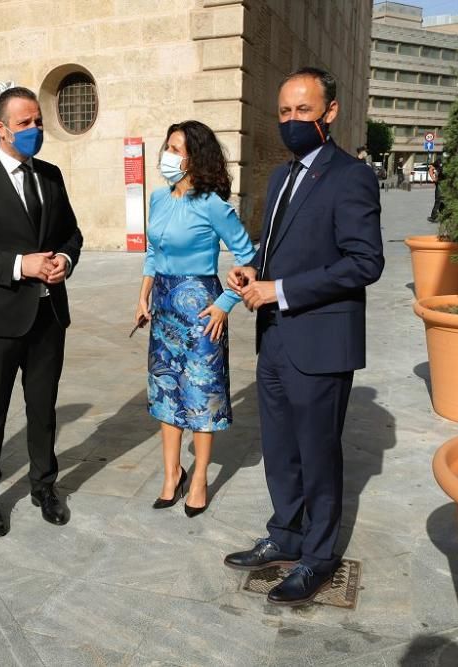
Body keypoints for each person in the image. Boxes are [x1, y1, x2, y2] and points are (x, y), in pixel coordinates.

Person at [224, 67, 384, 605]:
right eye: (285, 112)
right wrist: (252, 274)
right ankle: (285, 535)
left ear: (330, 113)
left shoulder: (351, 176)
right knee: (279, 449)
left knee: (317, 454)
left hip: (320, 343)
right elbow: (274, 251)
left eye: (304, 111)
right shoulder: (279, 176)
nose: (292, 121)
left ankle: (317, 557)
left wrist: (280, 290)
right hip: (275, 340)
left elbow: (365, 262)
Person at [0, 86, 83, 538]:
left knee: (42, 407)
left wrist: (63, 260)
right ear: (0, 129)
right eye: (24, 123)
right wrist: (21, 265)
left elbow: (71, 236)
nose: (35, 130)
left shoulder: (51, 175)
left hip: (48, 316)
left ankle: (44, 486)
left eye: (38, 121)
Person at [134, 121, 255, 516]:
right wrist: (143, 295)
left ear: (195, 157)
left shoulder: (212, 204)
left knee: (201, 394)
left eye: (177, 148)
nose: (168, 155)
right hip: (165, 307)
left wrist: (225, 302)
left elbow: (247, 255)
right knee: (166, 393)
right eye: (167, 146)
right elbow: (153, 252)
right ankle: (172, 474)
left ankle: (199, 477)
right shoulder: (158, 197)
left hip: (202, 307)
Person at [428, 157, 444, 222]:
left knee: (442, 201)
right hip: (440, 184)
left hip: (446, 184)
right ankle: (433, 217)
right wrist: (433, 178)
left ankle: (442, 215)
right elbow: (431, 168)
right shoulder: (439, 160)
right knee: (438, 200)